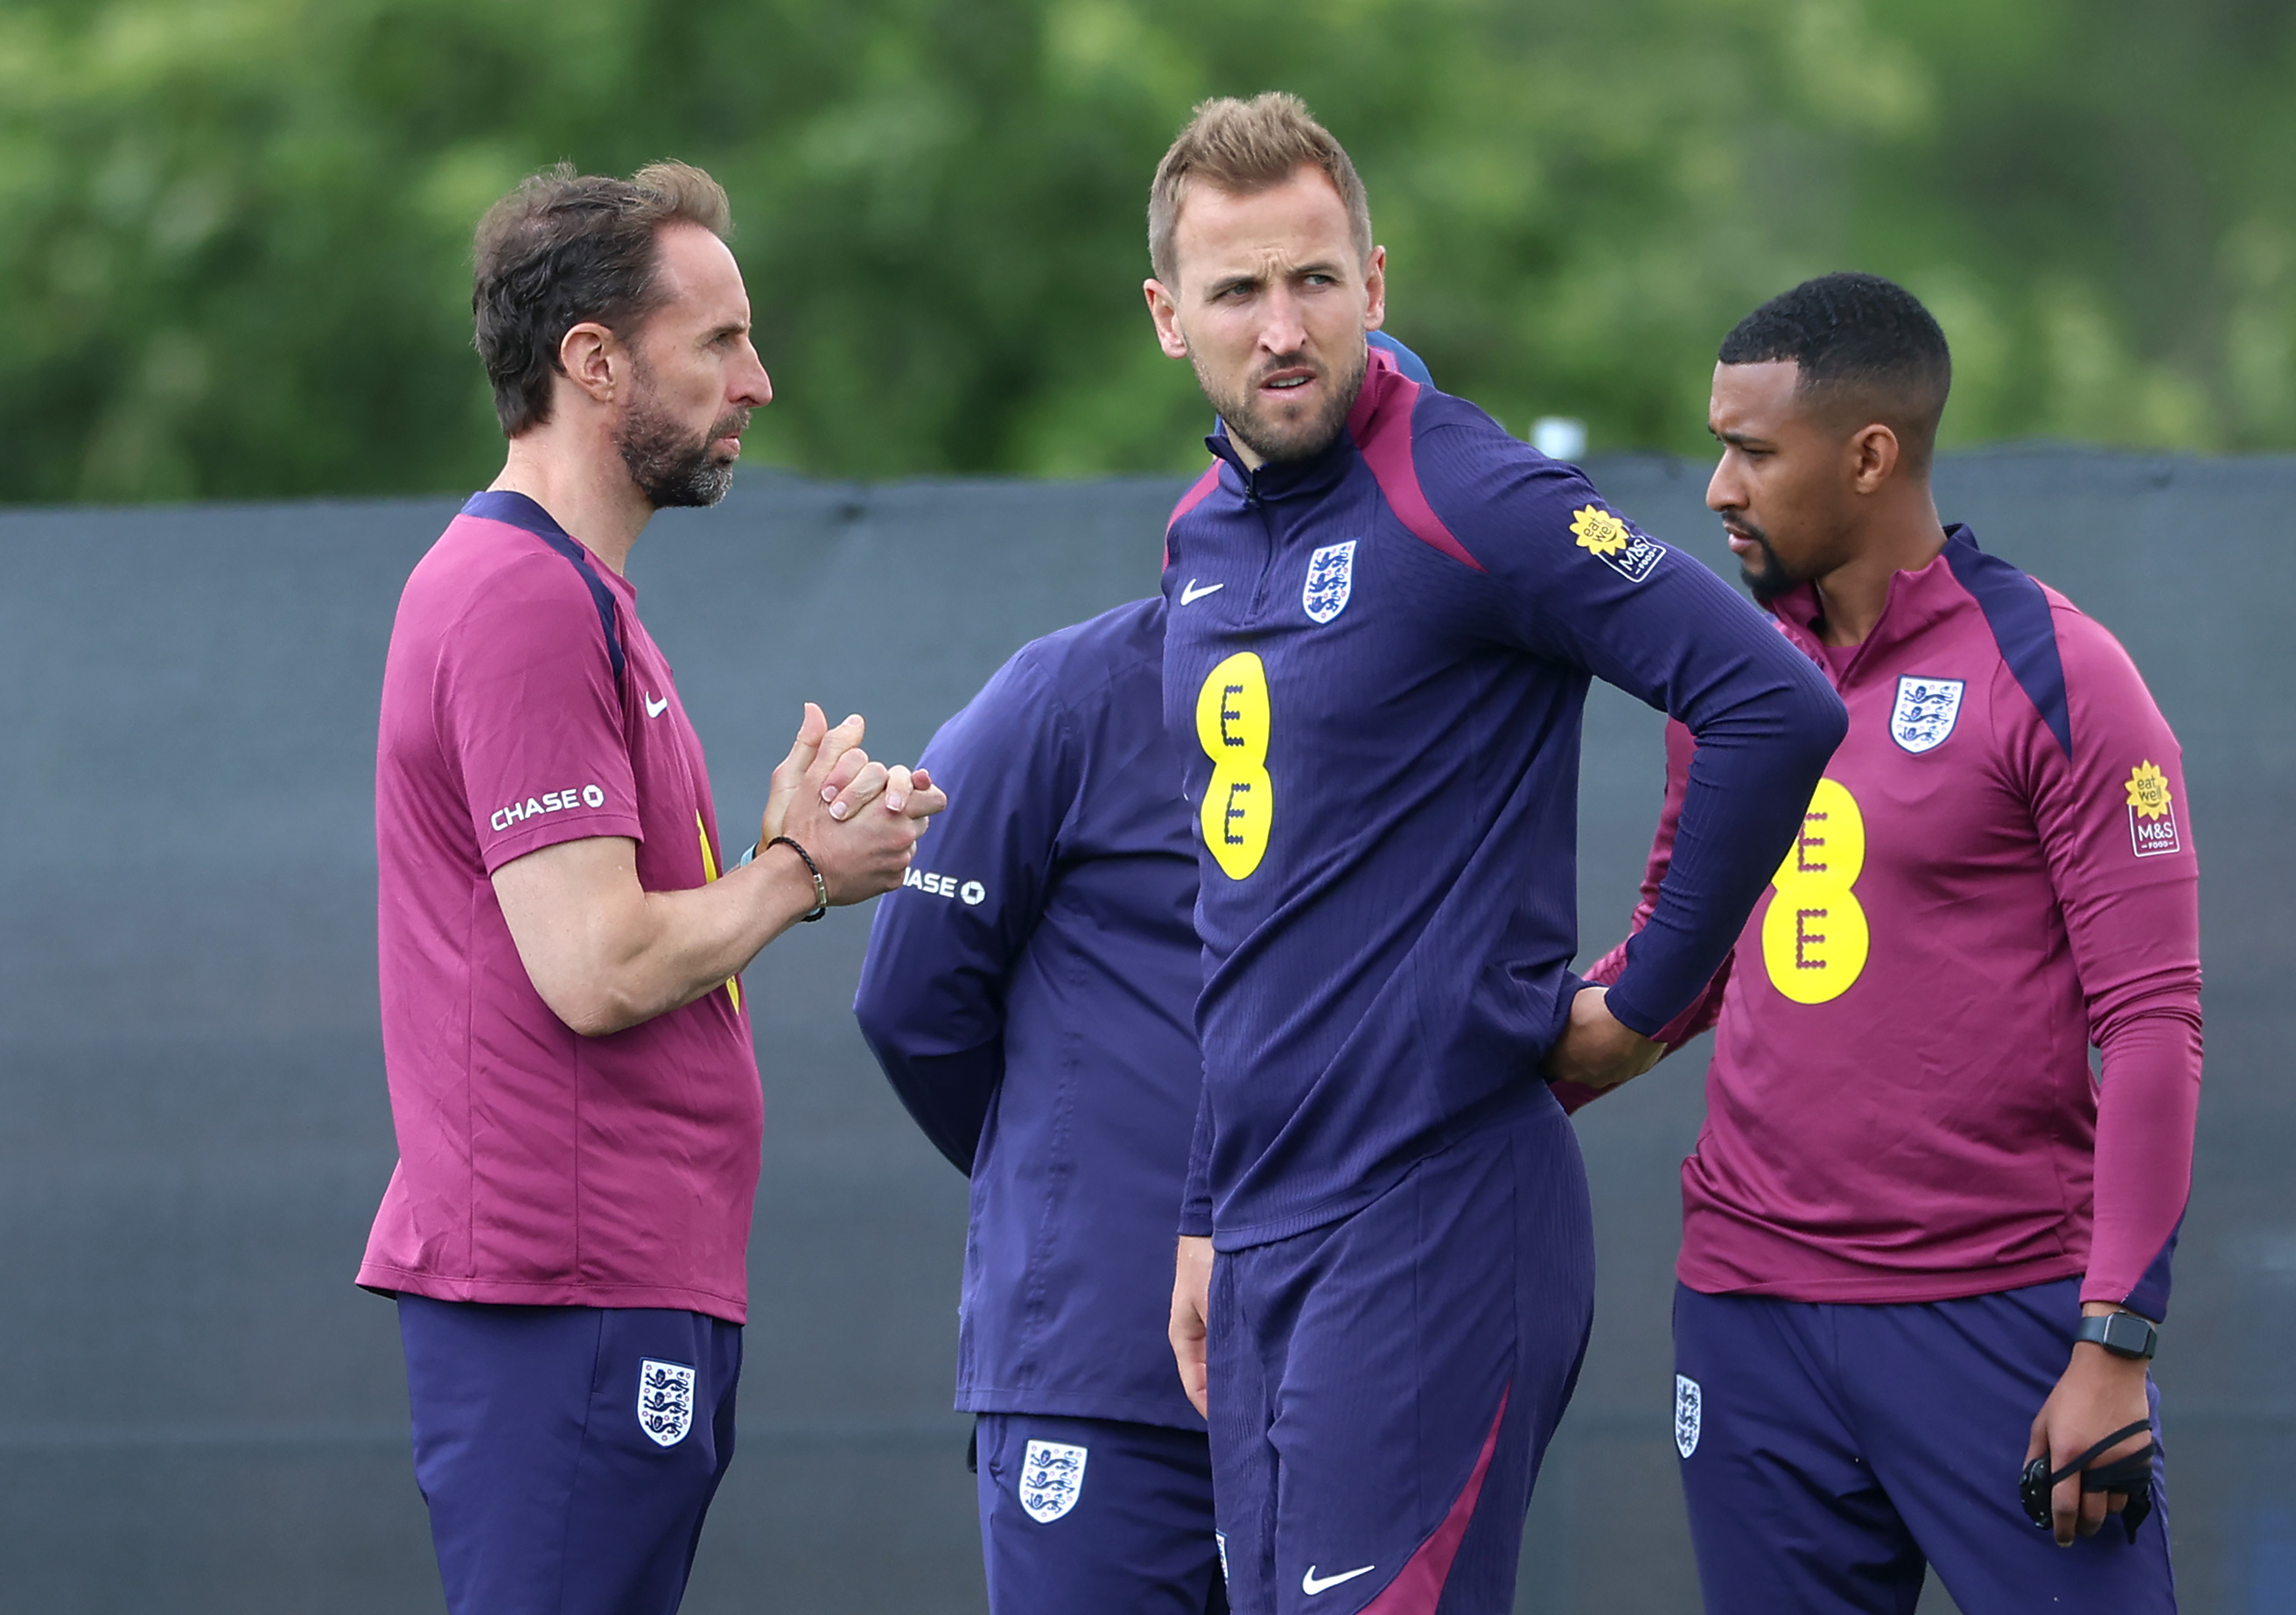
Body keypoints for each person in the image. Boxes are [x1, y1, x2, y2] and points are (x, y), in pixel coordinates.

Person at [1144, 94, 1848, 1615]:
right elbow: (1242, 914)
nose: (1282, 328)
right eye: (1238, 291)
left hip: (1436, 1218)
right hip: (1263, 1236)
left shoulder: (1467, 490)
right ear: (1166, 317)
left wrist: (1646, 1002)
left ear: (1376, 286)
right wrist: (1207, 1207)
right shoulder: (1198, 535)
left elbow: (1770, 702)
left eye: (1315, 280)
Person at [356, 160, 943, 1615]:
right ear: (593, 362)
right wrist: (803, 872)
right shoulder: (521, 600)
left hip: (614, 1288)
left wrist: (774, 854)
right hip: (566, 1294)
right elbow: (599, 965)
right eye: (719, 341)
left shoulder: (581, 598)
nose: (758, 381)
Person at [1577, 272, 2200, 1613]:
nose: (1717, 490)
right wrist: (1466, 1048)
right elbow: (1671, 974)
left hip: (2000, 1322)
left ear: (1869, 456)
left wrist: (2115, 1343)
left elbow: (2152, 1022)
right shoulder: (1728, 688)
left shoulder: (2059, 672)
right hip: (1748, 1320)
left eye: (1750, 450)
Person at [852, 328, 1436, 1615]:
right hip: (1107, 1377)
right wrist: (1081, 1184)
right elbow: (913, 1004)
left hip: (1363, 1371)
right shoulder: (1069, 694)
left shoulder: (1445, 741)